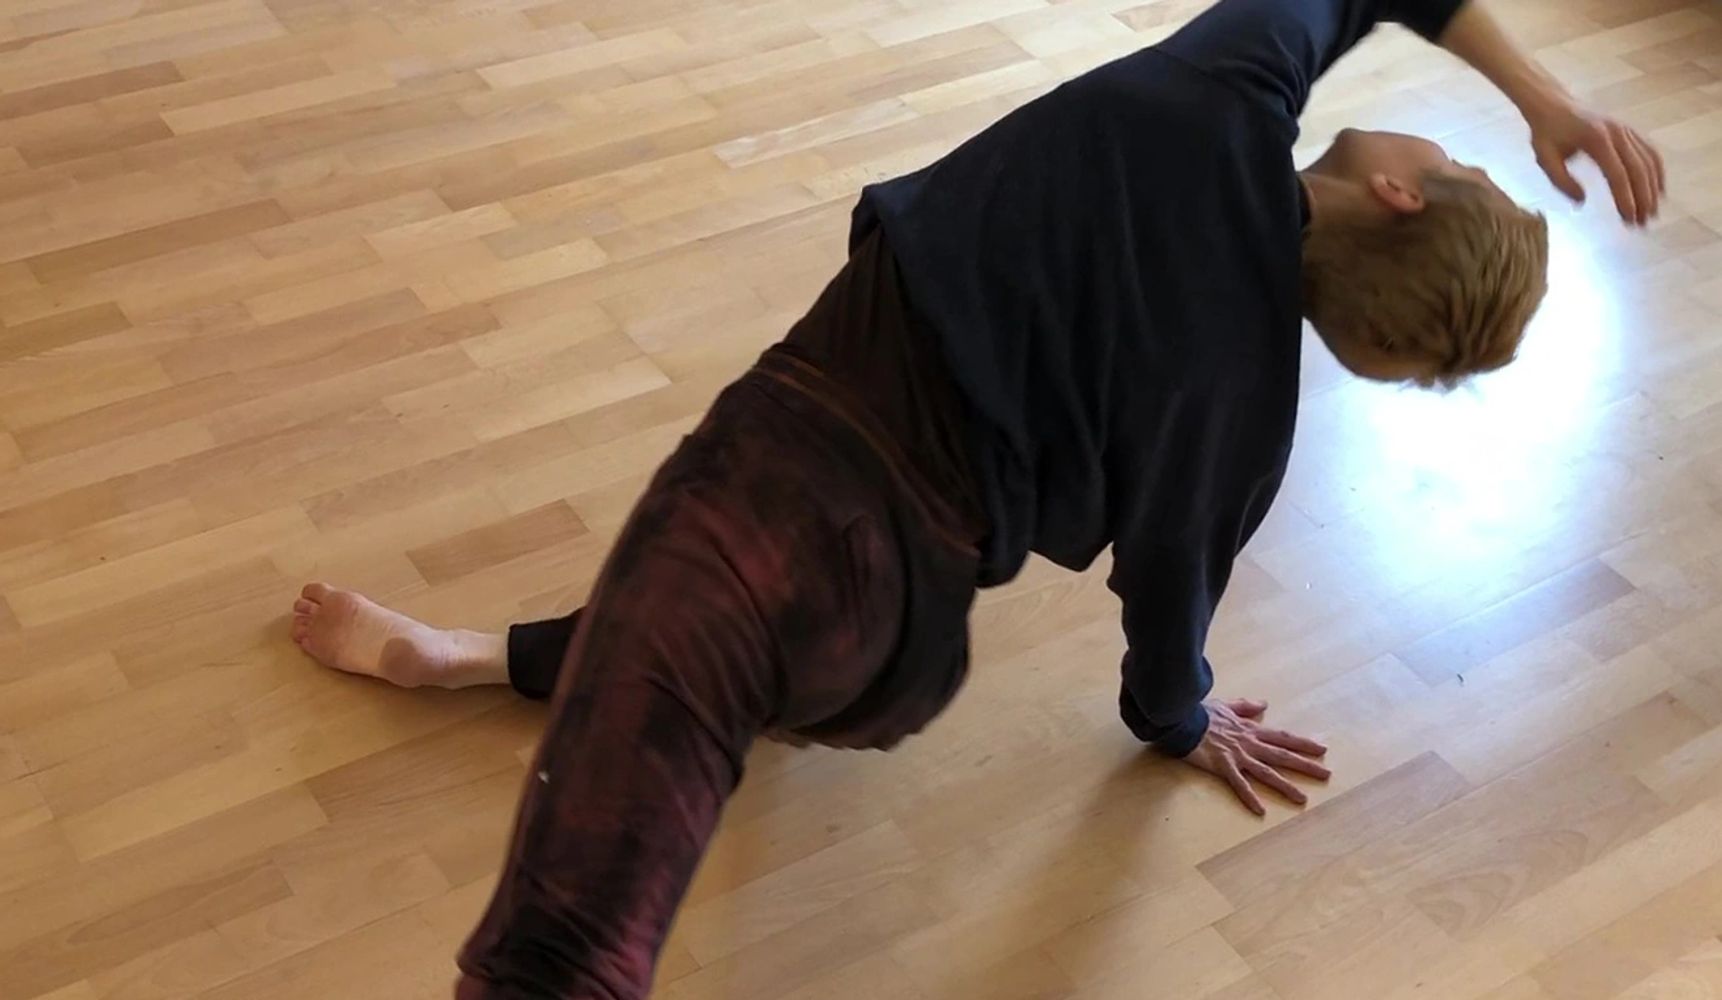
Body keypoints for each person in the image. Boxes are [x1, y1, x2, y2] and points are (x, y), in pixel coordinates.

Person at [289, 0, 1664, 995]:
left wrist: (1543, 99)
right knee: (703, 668)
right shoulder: (1244, 408)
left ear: (1399, 193)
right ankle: (481, 659)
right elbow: (1167, 596)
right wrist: (1176, 720)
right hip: (887, 643)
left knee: (568, 941)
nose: (1455, 147)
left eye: (1463, 162)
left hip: (785, 500)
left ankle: (483, 667)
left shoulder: (1217, 92)